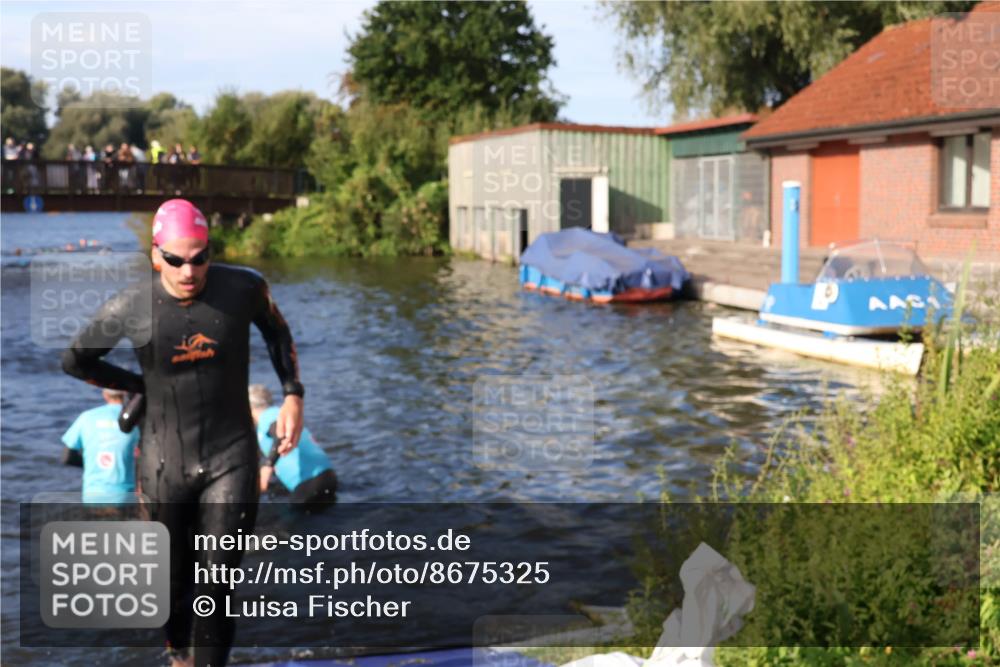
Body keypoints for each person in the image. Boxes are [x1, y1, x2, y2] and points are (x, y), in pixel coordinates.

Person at [61, 198, 304, 667]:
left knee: (217, 582)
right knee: (170, 582)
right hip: (161, 462)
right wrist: (137, 385)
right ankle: (177, 657)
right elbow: (76, 360)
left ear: (211, 252)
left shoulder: (244, 288)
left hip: (231, 455)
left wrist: (293, 394)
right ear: (156, 255)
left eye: (200, 257)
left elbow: (276, 332)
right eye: (175, 260)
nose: (189, 270)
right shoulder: (131, 305)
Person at [250, 384, 337, 507]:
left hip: (308, 483)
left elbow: (281, 435)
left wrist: (267, 467)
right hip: (328, 475)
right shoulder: (280, 413)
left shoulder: (267, 417)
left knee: (287, 523)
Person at [61, 389, 140, 504]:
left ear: (105, 394)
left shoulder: (86, 417)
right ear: (128, 394)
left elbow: (66, 458)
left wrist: (90, 463)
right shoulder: (138, 420)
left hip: (93, 495)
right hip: (127, 495)